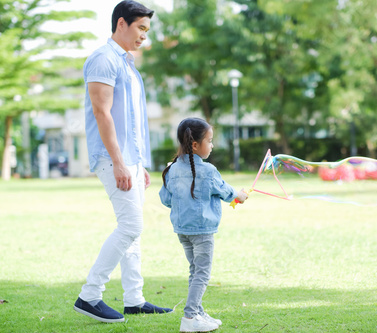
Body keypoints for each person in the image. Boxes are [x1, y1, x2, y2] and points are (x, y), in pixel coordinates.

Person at [73, 0, 172, 323]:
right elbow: (102, 113)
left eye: (147, 29)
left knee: (132, 231)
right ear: (120, 24)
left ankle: (134, 299)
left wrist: (137, 163)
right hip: (111, 157)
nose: (144, 35)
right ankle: (90, 295)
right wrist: (118, 161)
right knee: (131, 226)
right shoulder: (103, 59)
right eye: (140, 28)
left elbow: (128, 120)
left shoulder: (127, 63)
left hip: (129, 159)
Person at [159, 118, 248, 332]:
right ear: (195, 145)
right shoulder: (208, 170)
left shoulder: (172, 170)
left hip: (183, 230)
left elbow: (166, 199)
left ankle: (197, 311)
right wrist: (241, 195)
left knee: (194, 270)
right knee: (202, 273)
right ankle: (189, 318)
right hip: (202, 231)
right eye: (210, 140)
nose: (212, 145)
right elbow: (228, 193)